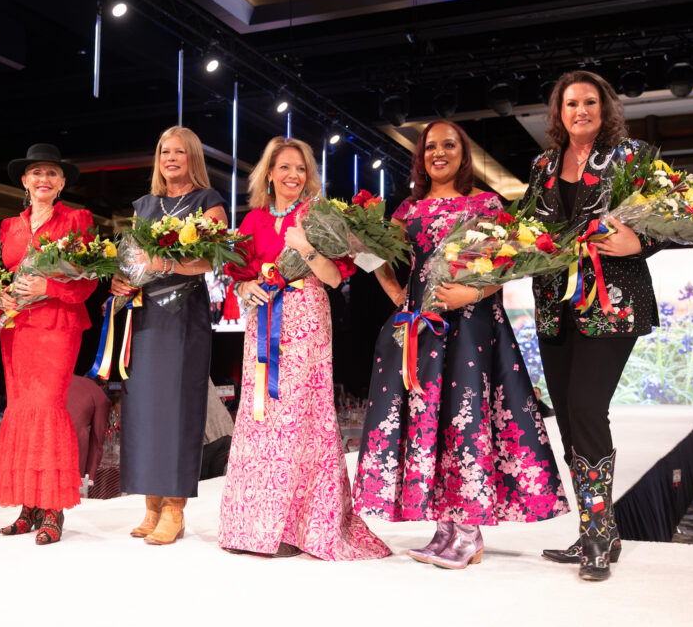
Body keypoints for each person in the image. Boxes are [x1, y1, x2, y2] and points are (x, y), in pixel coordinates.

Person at [353, 119, 569, 571]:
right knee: (430, 421)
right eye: (430, 146)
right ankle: (444, 527)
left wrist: (473, 293)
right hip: (422, 330)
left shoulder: (485, 204)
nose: (438, 153)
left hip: (472, 328)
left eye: (448, 145)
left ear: (463, 153)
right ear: (421, 156)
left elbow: (509, 265)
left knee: (465, 417)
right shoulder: (407, 211)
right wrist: (396, 292)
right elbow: (373, 253)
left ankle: (468, 530)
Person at [526, 70, 667, 581]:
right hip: (553, 304)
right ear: (558, 113)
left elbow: (678, 216)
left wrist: (642, 243)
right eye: (570, 103)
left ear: (604, 109)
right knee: (567, 414)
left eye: (589, 102)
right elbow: (527, 228)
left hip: (612, 302)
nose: (580, 110)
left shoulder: (632, 158)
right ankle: (594, 529)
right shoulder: (543, 165)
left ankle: (600, 532)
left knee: (587, 407)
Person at [219, 137, 389, 560]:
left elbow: (334, 278)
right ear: (269, 173)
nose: (293, 175)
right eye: (285, 168)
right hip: (261, 322)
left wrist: (305, 247)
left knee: (299, 418)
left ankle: (297, 527)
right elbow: (237, 272)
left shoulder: (318, 216)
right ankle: (252, 527)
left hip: (306, 318)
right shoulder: (254, 219)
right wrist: (246, 284)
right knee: (260, 416)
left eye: (301, 169)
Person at [110, 126, 228, 545]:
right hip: (145, 317)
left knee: (178, 406)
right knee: (143, 408)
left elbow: (210, 261)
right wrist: (121, 282)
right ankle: (151, 502)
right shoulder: (144, 205)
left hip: (183, 315)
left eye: (179, 152)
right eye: (164, 151)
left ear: (192, 156)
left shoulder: (208, 202)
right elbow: (130, 261)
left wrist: (163, 262)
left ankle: (175, 508)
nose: (170, 158)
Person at [0, 143, 99, 545]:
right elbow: (6, 275)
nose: (43, 179)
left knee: (49, 409)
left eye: (51, 174)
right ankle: (28, 506)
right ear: (24, 180)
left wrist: (48, 285)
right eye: (36, 173)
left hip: (57, 326)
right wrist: (2, 296)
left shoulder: (77, 219)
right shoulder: (9, 226)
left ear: (62, 183)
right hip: (16, 328)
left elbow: (88, 280)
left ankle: (52, 510)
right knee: (20, 411)